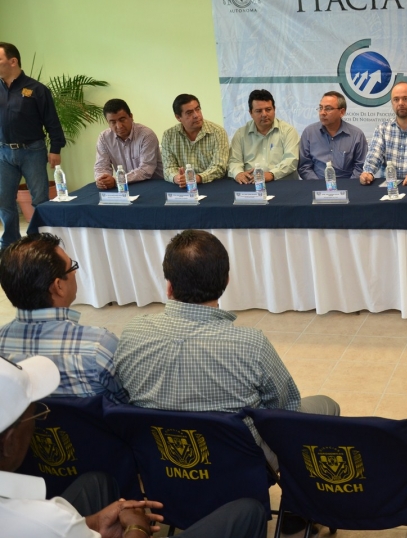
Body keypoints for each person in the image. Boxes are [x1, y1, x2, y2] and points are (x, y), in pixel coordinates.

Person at [114, 230, 339, 461]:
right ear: (226, 281)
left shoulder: (132, 332)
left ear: (169, 286)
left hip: (163, 457)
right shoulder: (252, 344)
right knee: (327, 406)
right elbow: (283, 410)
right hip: (239, 460)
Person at [0, 354, 267, 537]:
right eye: (36, 414)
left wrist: (91, 524)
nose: (38, 421)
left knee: (97, 481)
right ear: (9, 441)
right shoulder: (46, 522)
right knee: (246, 512)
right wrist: (136, 530)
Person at [0, 233, 128, 403]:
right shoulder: (98, 346)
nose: (75, 272)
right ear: (58, 286)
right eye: (71, 267)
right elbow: (127, 399)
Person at [0, 42, 65, 250]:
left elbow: (52, 121)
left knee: (39, 199)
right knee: (3, 200)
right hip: (3, 153)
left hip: (32, 152)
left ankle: (37, 241)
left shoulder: (36, 90)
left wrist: (55, 148)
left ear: (13, 61)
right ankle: (9, 243)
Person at [359, 82, 407, 186]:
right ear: (392, 103)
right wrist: (368, 173)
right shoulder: (382, 128)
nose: (400, 103)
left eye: (405, 99)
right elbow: (374, 156)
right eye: (396, 99)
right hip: (388, 187)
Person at [228, 89, 299, 183]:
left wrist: (271, 174)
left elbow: (291, 160)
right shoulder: (241, 134)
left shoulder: (288, 131)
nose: (264, 114)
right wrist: (238, 173)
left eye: (268, 110)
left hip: (282, 182)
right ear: (251, 113)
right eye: (259, 111)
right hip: (251, 184)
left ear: (274, 109)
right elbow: (234, 161)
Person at [160, 94, 229, 187]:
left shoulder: (217, 132)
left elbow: (219, 167)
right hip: (183, 187)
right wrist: (177, 178)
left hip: (212, 185)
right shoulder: (169, 136)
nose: (196, 115)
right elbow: (168, 168)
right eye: (189, 113)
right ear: (178, 117)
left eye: (197, 109)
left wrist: (197, 178)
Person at [94, 98, 164, 189]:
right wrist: (102, 179)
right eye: (113, 122)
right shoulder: (104, 138)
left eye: (122, 119)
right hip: (125, 187)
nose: (119, 126)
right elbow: (101, 166)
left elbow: (146, 170)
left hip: (154, 185)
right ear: (108, 122)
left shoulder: (146, 135)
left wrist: (118, 180)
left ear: (131, 116)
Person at [298, 91, 367, 179]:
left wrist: (349, 186)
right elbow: (304, 167)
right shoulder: (309, 132)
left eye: (328, 108)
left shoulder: (356, 135)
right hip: (316, 185)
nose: (322, 113)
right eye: (320, 108)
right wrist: (318, 185)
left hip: (348, 186)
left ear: (341, 112)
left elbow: (360, 167)